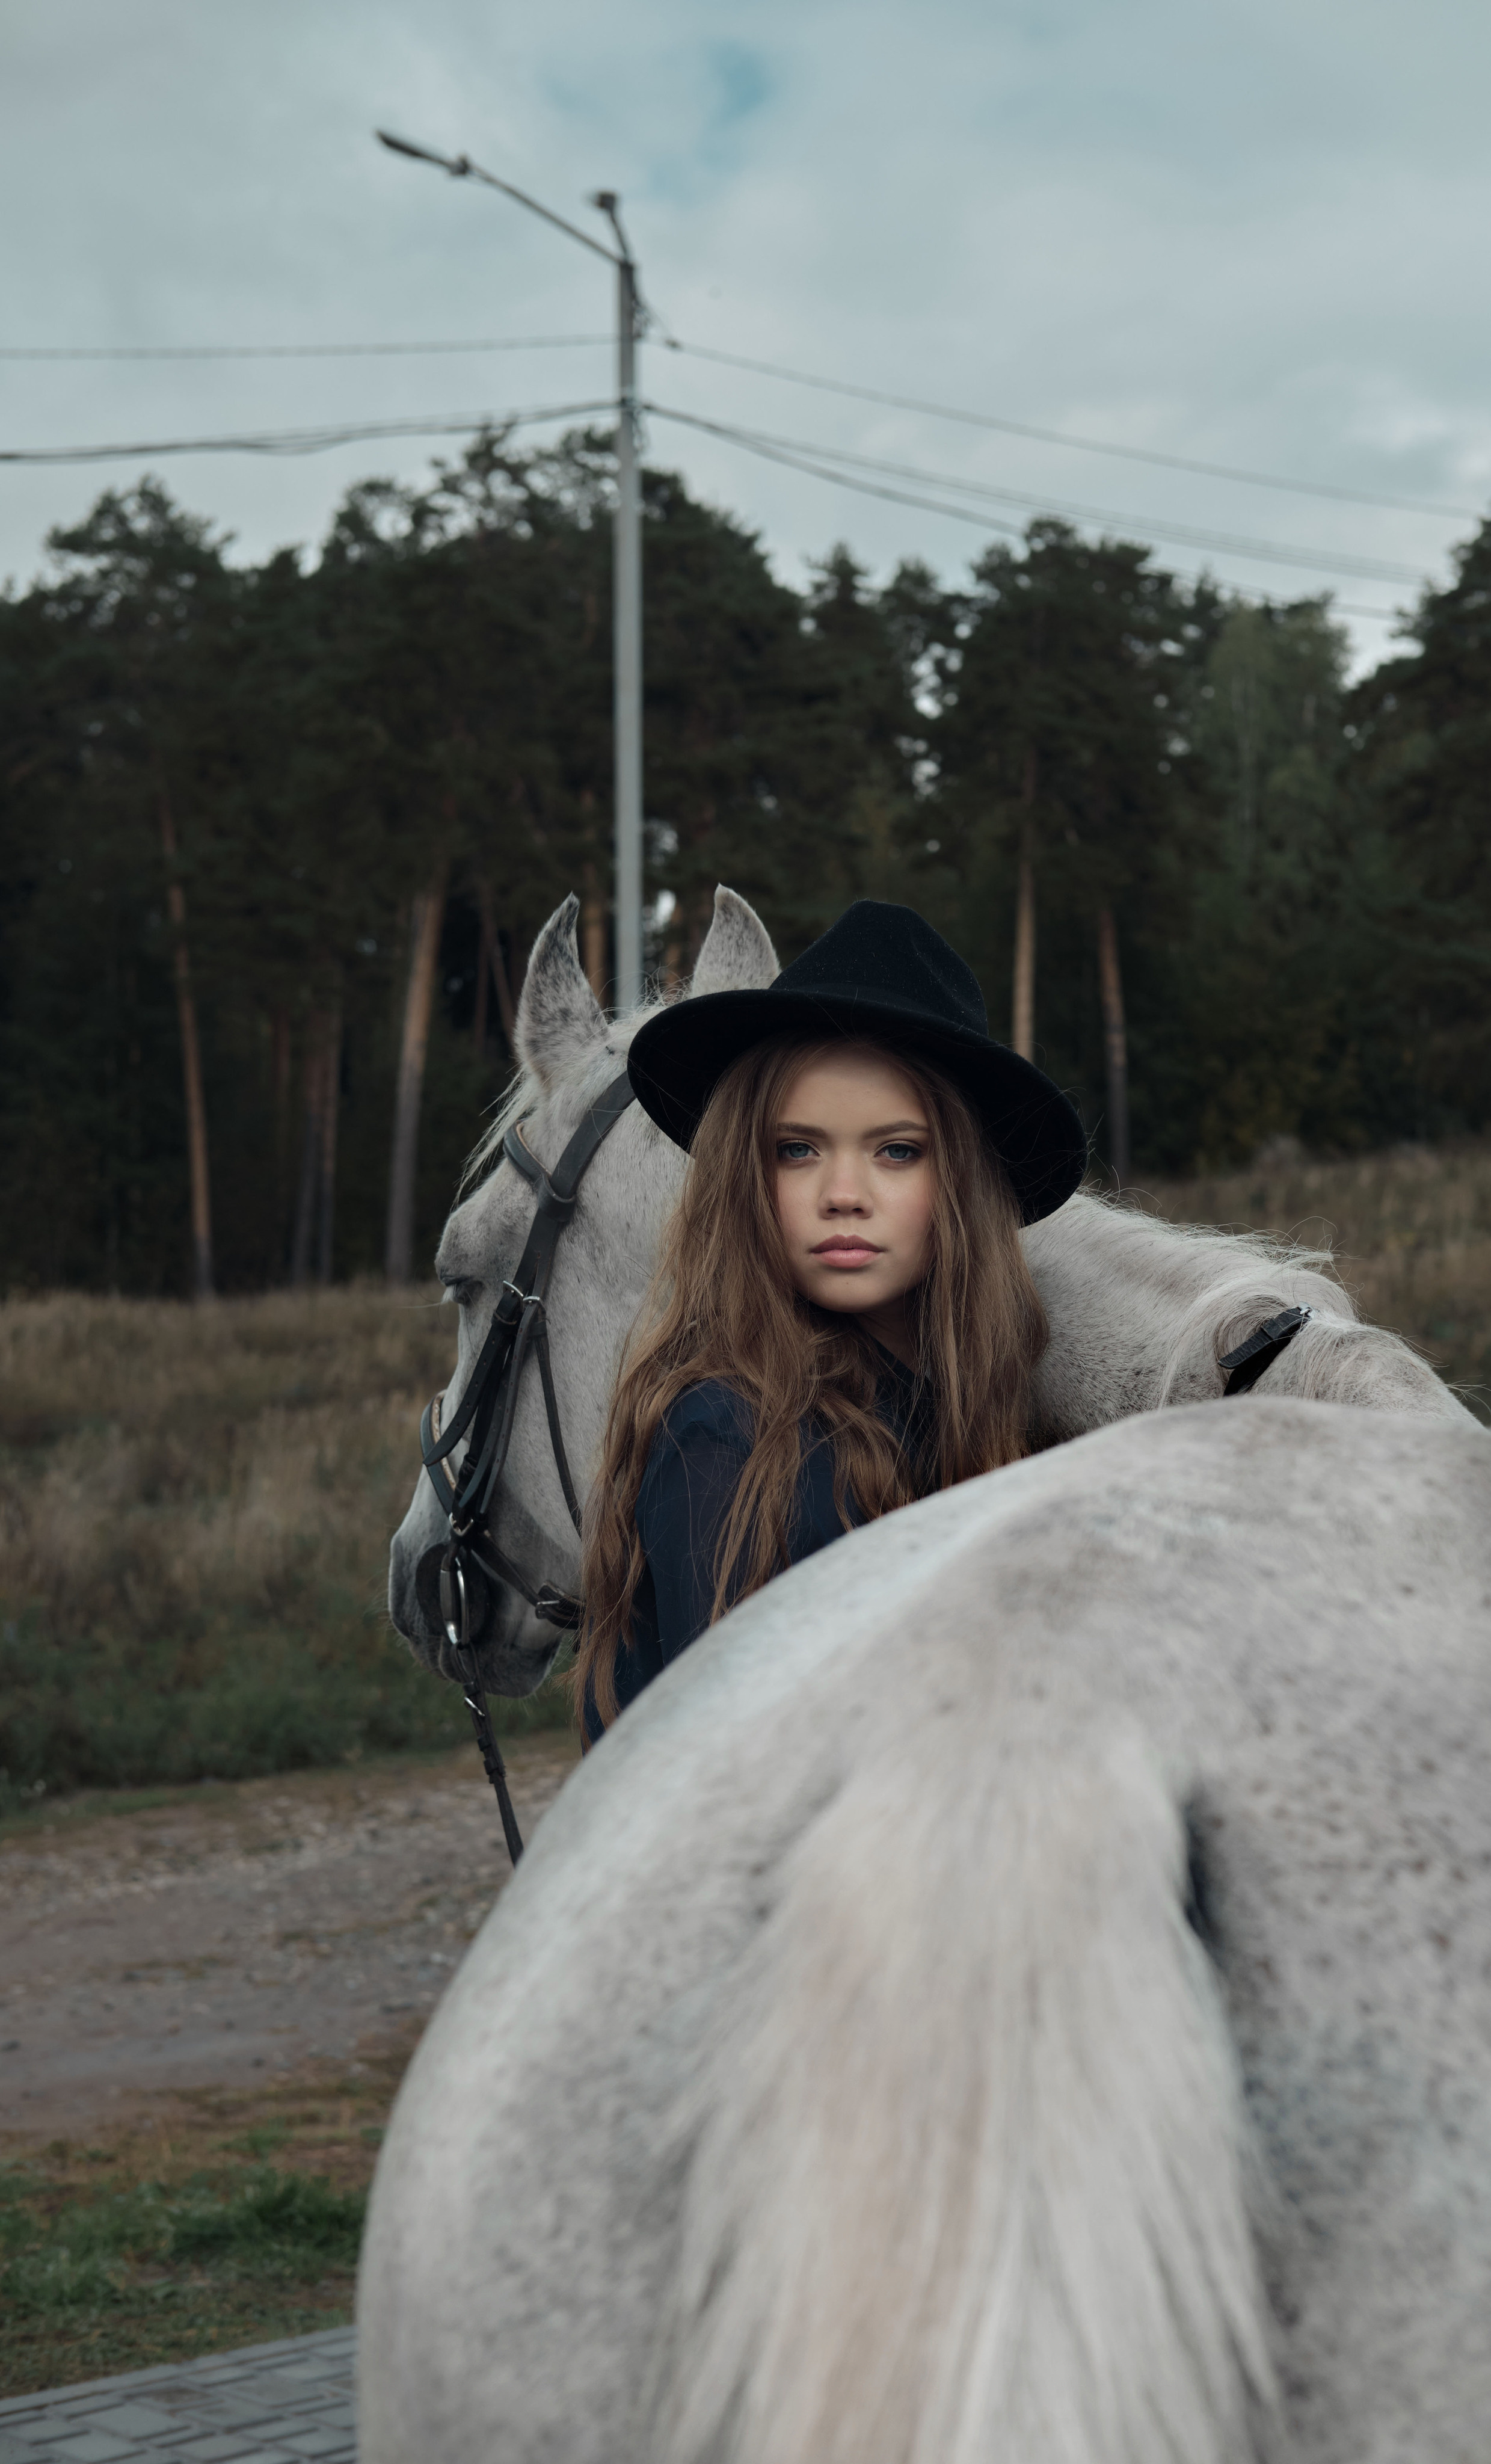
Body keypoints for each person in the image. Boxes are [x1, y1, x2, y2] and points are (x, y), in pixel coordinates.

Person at [575, 899, 1086, 1742]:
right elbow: (741, 1778)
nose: (843, 1194)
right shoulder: (730, 1435)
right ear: (745, 1174)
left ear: (962, 1184)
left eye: (897, 1151)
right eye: (797, 1150)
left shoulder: (963, 1415)